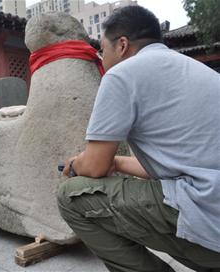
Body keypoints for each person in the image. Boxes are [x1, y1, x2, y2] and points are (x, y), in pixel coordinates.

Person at [58, 6, 220, 272]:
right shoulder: (197, 70)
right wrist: (119, 163)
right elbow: (181, 162)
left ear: (122, 45)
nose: (102, 58)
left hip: (208, 217)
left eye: (102, 50)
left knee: (71, 197)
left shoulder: (122, 74)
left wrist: (76, 165)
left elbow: (95, 166)